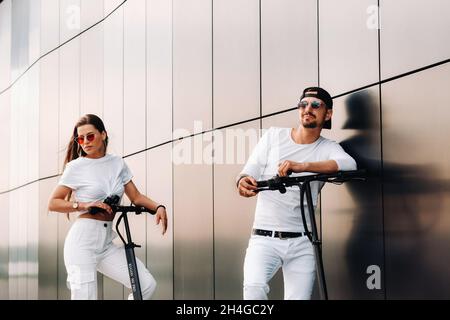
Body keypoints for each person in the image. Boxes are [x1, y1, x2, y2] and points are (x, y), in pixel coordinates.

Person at [236, 87, 357, 300]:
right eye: (303, 104)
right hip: (264, 238)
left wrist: (302, 166)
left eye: (315, 105)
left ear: (327, 114)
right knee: (254, 289)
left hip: (303, 241)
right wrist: (242, 182)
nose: (307, 109)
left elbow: (349, 165)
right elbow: (248, 171)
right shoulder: (274, 136)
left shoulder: (327, 147)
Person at [48, 114, 168, 300]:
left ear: (103, 134)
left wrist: (159, 207)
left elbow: (136, 197)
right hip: (82, 242)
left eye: (90, 136)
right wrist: (84, 204)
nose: (85, 142)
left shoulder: (117, 163)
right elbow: (53, 202)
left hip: (105, 243)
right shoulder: (76, 167)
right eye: (80, 139)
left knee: (145, 286)